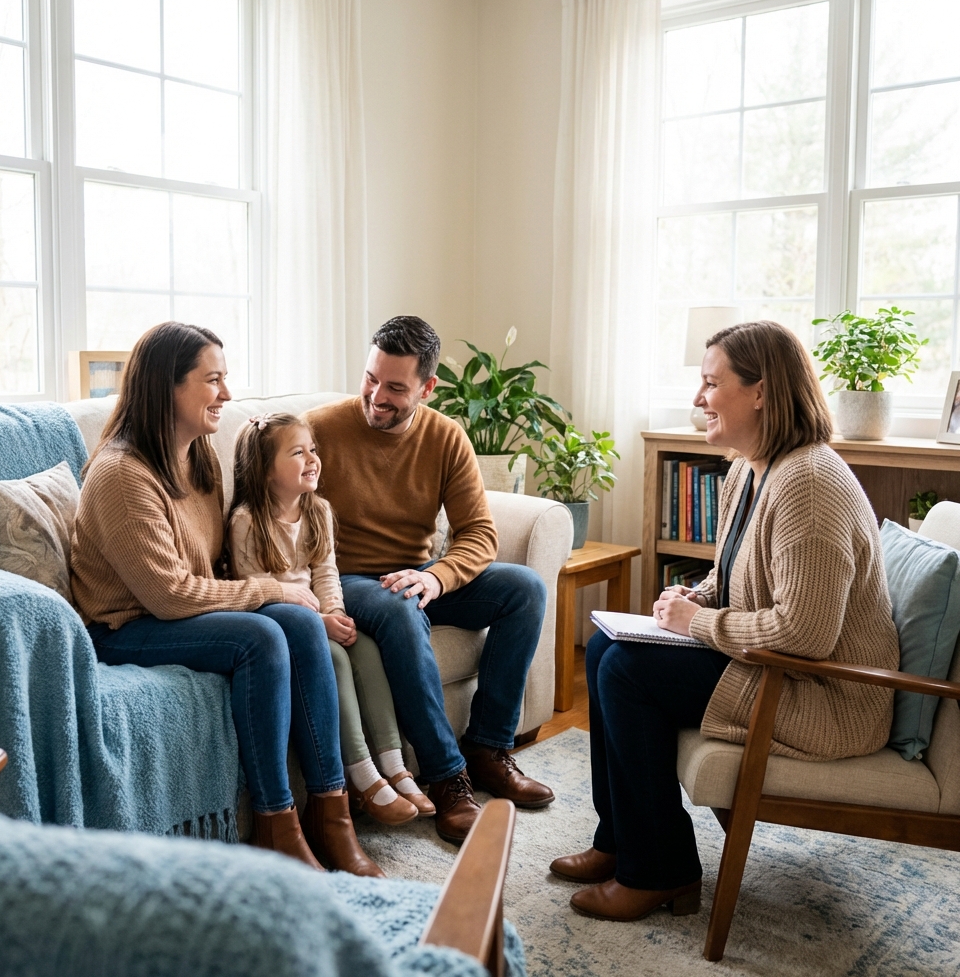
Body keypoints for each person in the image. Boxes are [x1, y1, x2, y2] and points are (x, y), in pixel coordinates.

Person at [550, 319, 900, 921]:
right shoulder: (748, 467)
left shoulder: (809, 484)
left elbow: (805, 633)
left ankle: (661, 871)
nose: (698, 398)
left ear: (760, 391)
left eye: (712, 383)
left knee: (626, 673)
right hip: (778, 670)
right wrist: (690, 600)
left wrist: (698, 625)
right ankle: (619, 842)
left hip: (828, 696)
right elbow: (736, 577)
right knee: (610, 652)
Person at [70, 321, 382, 878]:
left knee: (302, 623)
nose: (227, 394)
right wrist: (269, 589)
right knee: (262, 635)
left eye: (226, 379)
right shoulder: (121, 475)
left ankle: (332, 818)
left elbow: (212, 568)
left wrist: (288, 598)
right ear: (169, 386)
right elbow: (169, 596)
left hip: (180, 612)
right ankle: (273, 823)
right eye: (213, 380)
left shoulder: (198, 458)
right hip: (124, 629)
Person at [306, 315, 555, 846]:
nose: (377, 395)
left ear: (427, 387)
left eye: (396, 387)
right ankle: (447, 779)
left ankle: (488, 749)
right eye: (371, 378)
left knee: (524, 590)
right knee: (399, 608)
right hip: (344, 578)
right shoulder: (320, 430)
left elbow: (479, 534)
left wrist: (437, 580)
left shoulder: (445, 436)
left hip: (416, 576)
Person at [227, 412, 435, 826]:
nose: (312, 459)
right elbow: (257, 589)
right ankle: (362, 776)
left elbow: (326, 573)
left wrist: (335, 614)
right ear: (265, 470)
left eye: (313, 450)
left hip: (319, 616)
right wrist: (317, 625)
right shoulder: (247, 522)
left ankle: (394, 767)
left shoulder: (318, 510)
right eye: (298, 453)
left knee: (366, 649)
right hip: (280, 619)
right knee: (336, 660)